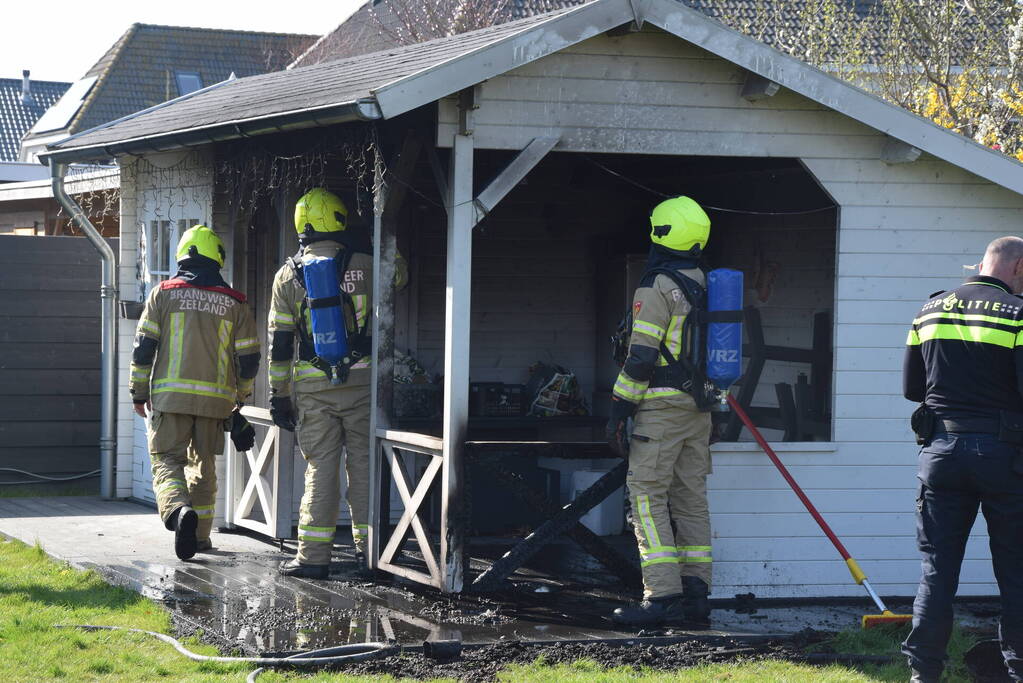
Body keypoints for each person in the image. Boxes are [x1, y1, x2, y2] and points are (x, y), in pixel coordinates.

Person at [902, 236, 1023, 682]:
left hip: (940, 454)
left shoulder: (929, 310)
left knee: (936, 572)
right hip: (1004, 457)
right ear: (1018, 266)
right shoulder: (1019, 314)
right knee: (1016, 573)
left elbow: (913, 389)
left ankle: (923, 674)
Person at [269, 188, 405, 579]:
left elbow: (279, 343)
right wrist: (378, 243)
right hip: (363, 384)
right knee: (363, 468)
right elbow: (401, 275)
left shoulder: (287, 275)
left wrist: (279, 396)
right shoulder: (364, 261)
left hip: (313, 389)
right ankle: (372, 555)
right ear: (340, 218)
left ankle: (313, 559)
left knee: (320, 469)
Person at [606, 196, 714, 629]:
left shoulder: (656, 287)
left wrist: (618, 409)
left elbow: (640, 359)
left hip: (662, 408)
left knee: (647, 498)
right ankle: (696, 595)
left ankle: (662, 596)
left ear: (661, 233)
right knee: (691, 500)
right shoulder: (706, 282)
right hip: (700, 408)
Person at [130, 225, 260, 560]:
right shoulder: (236, 303)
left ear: (183, 255)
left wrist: (138, 392)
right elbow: (248, 359)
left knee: (166, 460)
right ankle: (200, 537)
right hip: (216, 403)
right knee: (204, 468)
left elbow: (144, 348)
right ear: (217, 257)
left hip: (170, 398)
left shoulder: (163, 293)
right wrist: (239, 400)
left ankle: (177, 512)